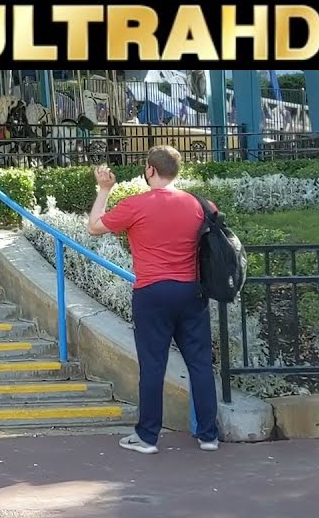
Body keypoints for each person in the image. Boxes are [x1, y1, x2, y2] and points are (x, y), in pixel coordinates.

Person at [87, 145, 220, 454]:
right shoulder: (201, 204)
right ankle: (208, 435)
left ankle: (147, 437)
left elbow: (94, 227)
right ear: (176, 171)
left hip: (151, 292)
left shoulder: (136, 205)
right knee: (200, 363)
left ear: (150, 170)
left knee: (153, 365)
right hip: (191, 291)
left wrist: (104, 189)